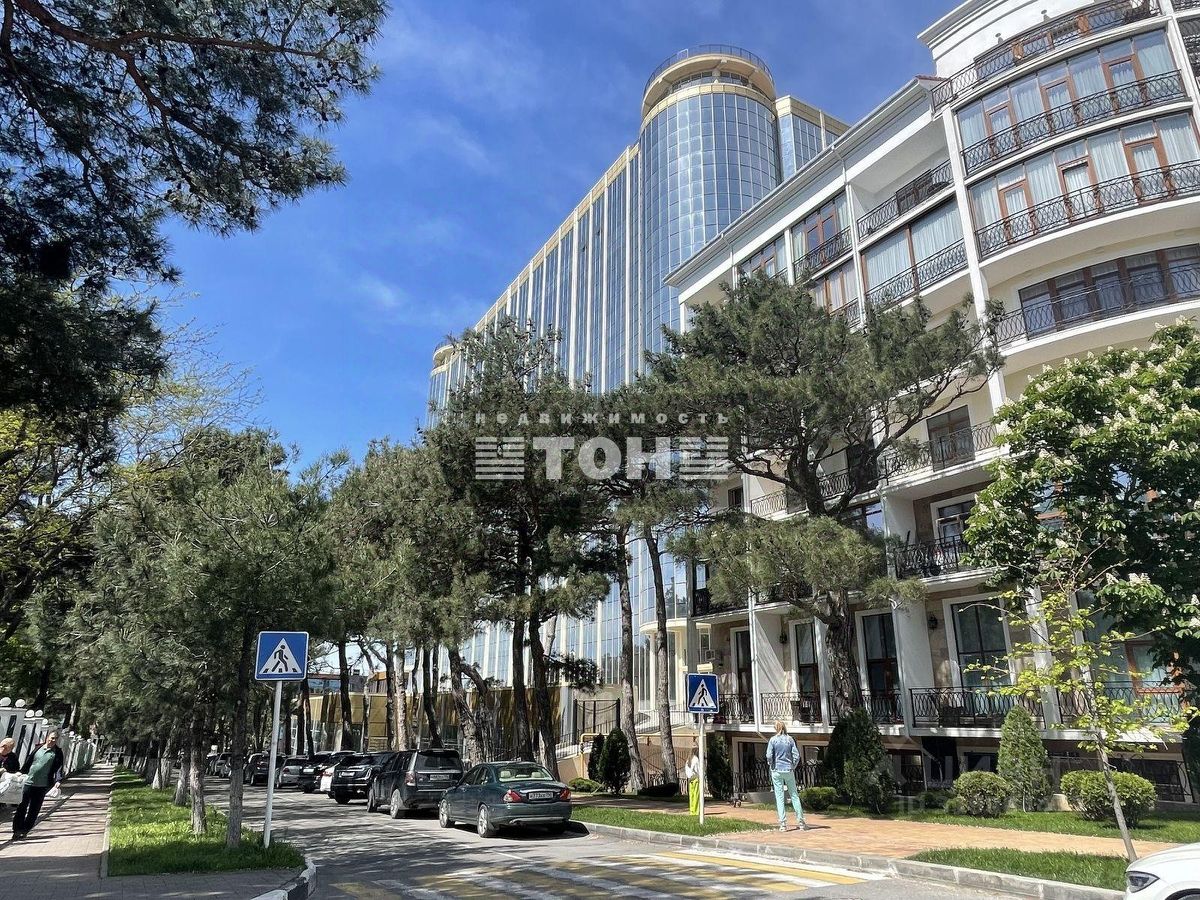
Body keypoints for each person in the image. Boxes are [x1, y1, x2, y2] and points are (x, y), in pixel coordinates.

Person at [13, 730, 65, 840]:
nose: (53, 740)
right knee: (21, 807)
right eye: (51, 738)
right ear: (47, 737)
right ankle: (17, 830)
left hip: (42, 785)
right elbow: (29, 761)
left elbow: (59, 767)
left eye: (55, 739)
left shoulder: (57, 752)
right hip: (28, 782)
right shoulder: (38, 748)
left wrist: (58, 780)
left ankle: (25, 830)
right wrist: (21, 772)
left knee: (34, 810)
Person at [765, 720, 808, 832]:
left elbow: (769, 755)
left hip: (776, 770)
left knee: (779, 797)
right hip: (788, 770)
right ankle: (801, 822)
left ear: (776, 728)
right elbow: (796, 755)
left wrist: (771, 764)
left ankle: (783, 824)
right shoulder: (790, 739)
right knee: (794, 795)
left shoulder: (773, 740)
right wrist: (793, 766)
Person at [684, 739, 702, 815]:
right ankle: (696, 811)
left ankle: (692, 811)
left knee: (691, 795)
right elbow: (698, 770)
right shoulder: (696, 759)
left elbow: (686, 769)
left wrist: (689, 776)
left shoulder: (688, 759)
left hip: (690, 779)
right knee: (696, 795)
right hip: (696, 779)